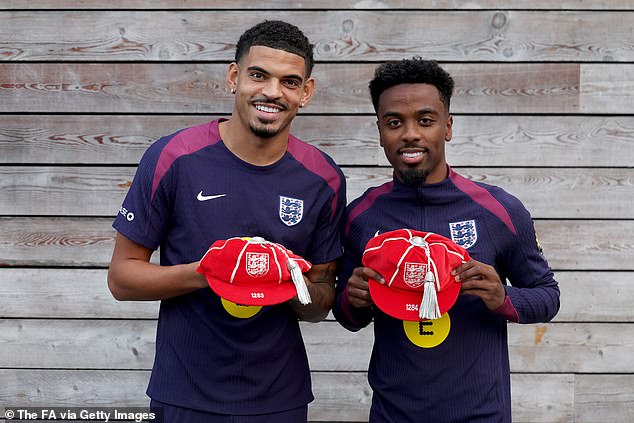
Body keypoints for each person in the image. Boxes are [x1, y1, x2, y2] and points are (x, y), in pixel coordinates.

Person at [108, 20, 346, 422]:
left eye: (289, 81)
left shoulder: (324, 178)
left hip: (279, 398)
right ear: (234, 78)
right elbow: (122, 278)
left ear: (306, 92)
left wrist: (288, 285)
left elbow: (321, 297)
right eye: (258, 75)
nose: (272, 92)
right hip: (184, 393)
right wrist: (212, 272)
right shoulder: (172, 157)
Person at [333, 58, 560, 422]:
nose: (410, 134)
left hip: (481, 415)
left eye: (425, 120)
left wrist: (502, 297)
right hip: (393, 415)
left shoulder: (498, 210)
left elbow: (548, 296)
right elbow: (346, 314)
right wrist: (353, 299)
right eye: (394, 122)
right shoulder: (361, 216)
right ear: (379, 132)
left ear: (447, 126)